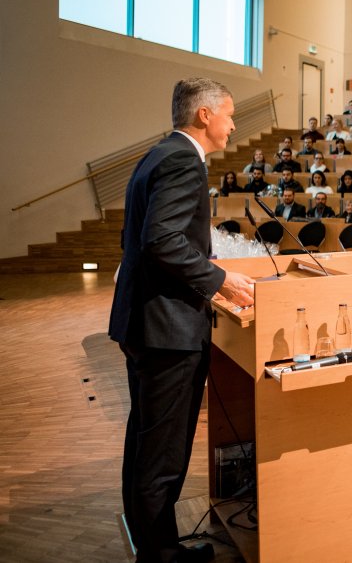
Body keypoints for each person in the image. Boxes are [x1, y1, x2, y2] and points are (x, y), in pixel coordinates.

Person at [109, 78, 254, 563]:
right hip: (167, 330)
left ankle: (152, 544)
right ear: (204, 115)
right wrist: (219, 280)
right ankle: (161, 555)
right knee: (163, 452)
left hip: (145, 321)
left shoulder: (157, 154)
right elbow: (161, 241)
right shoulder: (182, 160)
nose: (234, 125)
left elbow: (142, 237)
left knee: (146, 440)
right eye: (229, 114)